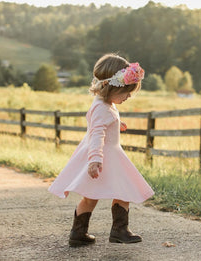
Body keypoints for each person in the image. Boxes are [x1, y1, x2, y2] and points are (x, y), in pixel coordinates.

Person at [48, 53, 154, 247]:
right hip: (104, 156)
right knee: (117, 192)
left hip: (107, 154)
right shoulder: (102, 108)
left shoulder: (106, 104)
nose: (129, 96)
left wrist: (117, 122)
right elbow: (97, 133)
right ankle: (115, 231)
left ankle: (83, 233)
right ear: (111, 87)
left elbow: (103, 123)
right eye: (126, 92)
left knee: (98, 196)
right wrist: (95, 159)